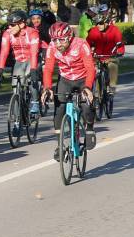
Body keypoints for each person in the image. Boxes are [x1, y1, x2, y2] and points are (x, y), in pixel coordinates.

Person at [41, 21, 96, 160]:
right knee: (59, 108)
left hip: (83, 78)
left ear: (69, 36)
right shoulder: (53, 47)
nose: (58, 44)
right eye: (55, 40)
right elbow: (48, 68)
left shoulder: (81, 44)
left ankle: (89, 129)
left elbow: (90, 68)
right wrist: (47, 88)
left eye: (61, 40)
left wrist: (88, 87)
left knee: (86, 105)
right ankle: (60, 145)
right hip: (65, 79)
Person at [0, 9, 42, 116]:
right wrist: (0, 69)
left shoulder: (32, 33)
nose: (10, 28)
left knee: (30, 76)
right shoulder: (7, 34)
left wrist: (34, 69)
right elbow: (4, 52)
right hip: (19, 61)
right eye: (9, 25)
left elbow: (34, 52)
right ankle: (18, 120)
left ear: (22, 24)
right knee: (15, 87)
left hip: (32, 58)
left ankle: (35, 101)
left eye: (13, 25)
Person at [85, 4, 124, 96]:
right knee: (93, 70)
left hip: (110, 56)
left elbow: (120, 43)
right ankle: (96, 93)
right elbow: (87, 44)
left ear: (106, 22)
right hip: (97, 56)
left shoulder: (114, 30)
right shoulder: (93, 31)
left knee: (112, 65)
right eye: (97, 23)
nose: (99, 25)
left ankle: (112, 86)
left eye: (101, 23)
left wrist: (120, 51)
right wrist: (88, 51)